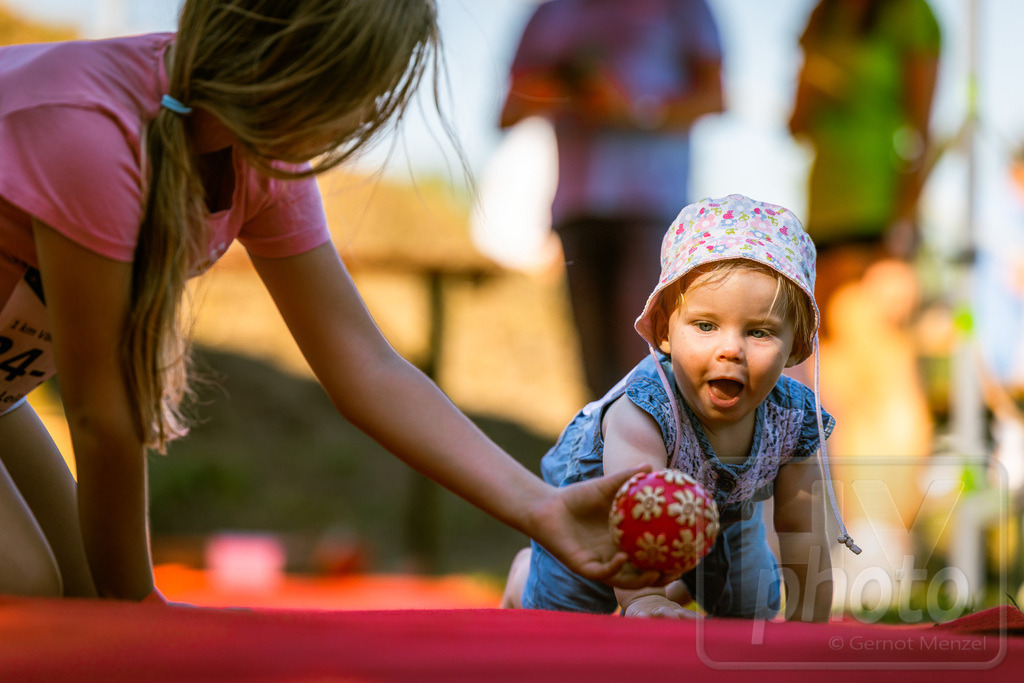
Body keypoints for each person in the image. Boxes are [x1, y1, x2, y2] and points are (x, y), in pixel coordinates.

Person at [0, 0, 670, 602]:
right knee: (26, 585)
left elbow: (366, 366)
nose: (372, 120)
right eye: (371, 96)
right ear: (311, 75)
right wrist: (142, 613)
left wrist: (540, 504)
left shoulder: (259, 157)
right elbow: (101, 414)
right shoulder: (92, 131)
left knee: (84, 590)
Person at [503, 194, 861, 621]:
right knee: (564, 616)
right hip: (603, 512)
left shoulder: (794, 417)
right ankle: (525, 576)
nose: (731, 349)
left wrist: (809, 621)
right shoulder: (645, 410)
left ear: (796, 345)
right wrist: (643, 599)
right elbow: (632, 513)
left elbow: (803, 528)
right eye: (706, 325)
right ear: (665, 331)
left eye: (760, 332)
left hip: (724, 510)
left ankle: (677, 577)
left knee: (752, 609)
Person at [499, 0, 724, 399]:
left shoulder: (682, 8)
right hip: (577, 208)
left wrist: (637, 111)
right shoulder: (553, 12)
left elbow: (715, 97)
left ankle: (657, 458)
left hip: (652, 209)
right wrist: (570, 96)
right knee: (595, 372)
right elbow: (508, 108)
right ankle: (608, 458)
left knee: (649, 358)